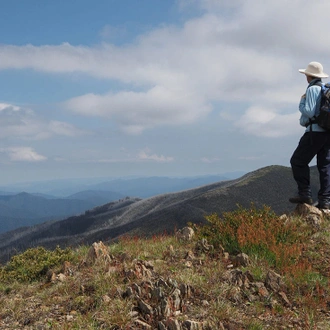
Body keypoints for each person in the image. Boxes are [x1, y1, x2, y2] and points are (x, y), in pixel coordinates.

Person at [290, 61, 330, 209]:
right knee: (325, 166)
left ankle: (304, 194)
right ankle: (325, 200)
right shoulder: (324, 88)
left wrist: (301, 103)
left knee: (297, 161)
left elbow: (310, 112)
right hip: (327, 132)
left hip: (314, 132)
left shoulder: (313, 89)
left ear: (309, 75)